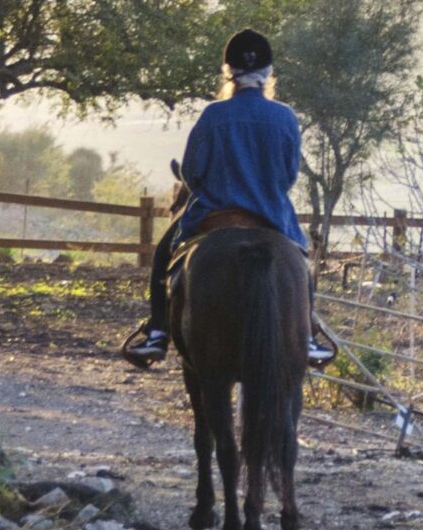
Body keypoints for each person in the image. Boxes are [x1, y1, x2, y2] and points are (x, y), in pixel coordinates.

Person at [119, 28, 335, 369]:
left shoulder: (212, 116)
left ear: (228, 73)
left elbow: (191, 173)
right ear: (268, 75)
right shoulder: (285, 118)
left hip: (212, 216)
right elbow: (289, 175)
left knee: (162, 256)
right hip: (271, 218)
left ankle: (158, 332)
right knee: (301, 268)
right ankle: (307, 335)